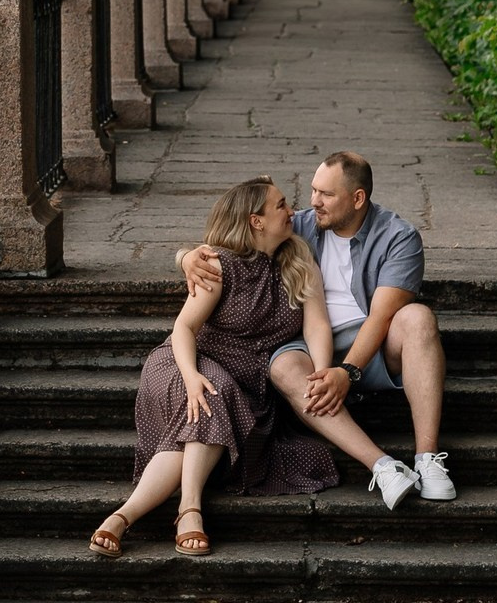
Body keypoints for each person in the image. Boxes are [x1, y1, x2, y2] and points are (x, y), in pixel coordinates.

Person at [180, 150, 456, 504]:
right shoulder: (304, 225)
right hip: (309, 344)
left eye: (326, 194)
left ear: (358, 198)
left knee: (418, 317)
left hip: (376, 342)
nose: (313, 202)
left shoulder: (399, 237)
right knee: (282, 367)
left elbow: (382, 317)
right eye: (313, 191)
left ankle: (428, 459)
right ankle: (384, 467)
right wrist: (187, 258)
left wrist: (347, 372)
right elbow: (234, 238)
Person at [89, 176, 340, 561]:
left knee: (210, 405)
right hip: (182, 362)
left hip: (245, 386)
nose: (292, 212)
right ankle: (189, 509)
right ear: (256, 221)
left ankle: (122, 517)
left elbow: (317, 324)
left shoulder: (294, 257)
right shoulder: (219, 265)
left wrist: (322, 370)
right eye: (281, 206)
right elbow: (184, 328)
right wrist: (190, 377)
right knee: (210, 392)